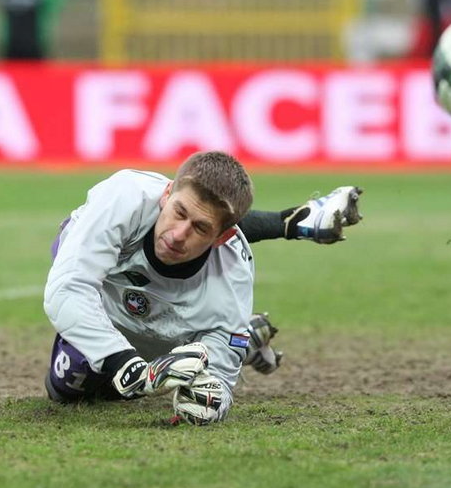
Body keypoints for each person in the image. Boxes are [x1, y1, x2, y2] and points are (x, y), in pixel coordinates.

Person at [43, 151, 362, 425]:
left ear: (223, 237)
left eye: (200, 228)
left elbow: (221, 382)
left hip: (175, 312)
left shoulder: (232, 277)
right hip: (104, 283)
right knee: (70, 385)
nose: (178, 235)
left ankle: (241, 338)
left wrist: (211, 400)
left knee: (100, 377)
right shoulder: (125, 197)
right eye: (178, 212)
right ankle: (290, 222)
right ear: (166, 194)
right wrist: (128, 367)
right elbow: (67, 290)